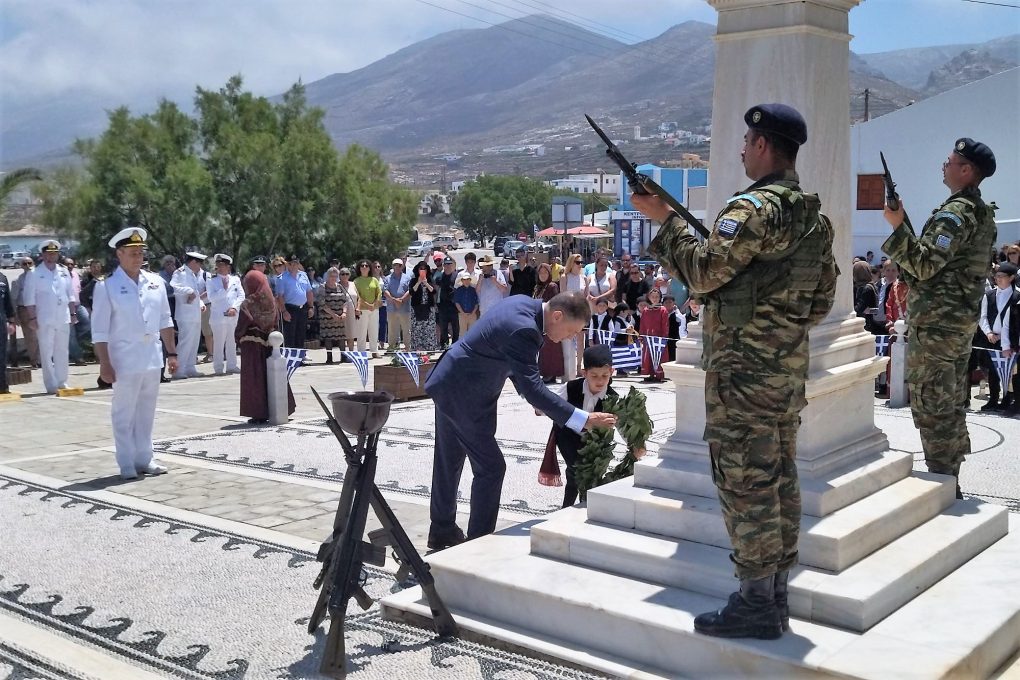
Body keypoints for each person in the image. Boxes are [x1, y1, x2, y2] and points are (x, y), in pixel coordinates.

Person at [635, 103, 837, 639]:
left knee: (745, 485)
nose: (742, 151)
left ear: (765, 146)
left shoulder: (751, 210)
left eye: (747, 142)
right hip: (784, 374)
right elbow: (820, 303)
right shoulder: (816, 219)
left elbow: (702, 273)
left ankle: (754, 602)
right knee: (778, 481)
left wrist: (664, 221)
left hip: (741, 377)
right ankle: (774, 595)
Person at [425, 290, 618, 549]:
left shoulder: (524, 305)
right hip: (466, 394)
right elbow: (532, 385)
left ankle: (442, 529)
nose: (571, 338)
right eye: (572, 331)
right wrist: (583, 419)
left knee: (448, 460)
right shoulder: (524, 329)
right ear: (558, 316)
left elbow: (512, 361)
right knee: (491, 468)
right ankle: (477, 546)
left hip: (450, 382)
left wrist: (538, 400)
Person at [883, 137, 998, 493]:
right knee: (948, 400)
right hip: (954, 323)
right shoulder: (978, 211)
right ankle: (948, 475)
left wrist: (897, 225)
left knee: (934, 403)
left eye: (949, 162)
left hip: (938, 325)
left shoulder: (957, 213)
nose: (943, 166)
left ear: (967, 170)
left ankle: (943, 480)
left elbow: (923, 263)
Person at [91, 228, 178, 479]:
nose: (138, 257)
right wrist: (104, 364)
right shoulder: (107, 285)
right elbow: (100, 331)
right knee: (124, 412)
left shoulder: (155, 282)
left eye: (140, 253)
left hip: (152, 356)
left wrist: (172, 353)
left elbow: (165, 319)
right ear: (119, 254)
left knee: (146, 411)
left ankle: (145, 457)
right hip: (123, 358)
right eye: (132, 253)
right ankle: (126, 461)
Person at [235, 270, 295, 423]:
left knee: (256, 377)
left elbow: (243, 322)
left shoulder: (249, 302)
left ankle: (259, 412)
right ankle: (283, 408)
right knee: (274, 375)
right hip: (269, 343)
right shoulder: (271, 300)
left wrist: (237, 336)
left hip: (252, 345)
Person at [23, 240, 78, 393]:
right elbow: (29, 299)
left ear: (57, 255)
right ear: (42, 254)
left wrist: (73, 313)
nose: (51, 256)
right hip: (44, 317)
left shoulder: (63, 271)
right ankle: (51, 383)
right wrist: (32, 319)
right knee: (46, 351)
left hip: (63, 316)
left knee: (62, 350)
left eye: (54, 253)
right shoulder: (34, 273)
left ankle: (62, 381)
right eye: (48, 253)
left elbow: (70, 295)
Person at [977, 263, 1019, 412]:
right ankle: (993, 399)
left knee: (1011, 371)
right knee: (993, 370)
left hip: (1009, 340)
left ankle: (1009, 399)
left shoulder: (1016, 295)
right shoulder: (988, 295)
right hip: (991, 339)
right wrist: (988, 332)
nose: (998, 279)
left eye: (1002, 277)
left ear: (1011, 278)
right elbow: (982, 317)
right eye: (997, 276)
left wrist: (1005, 337)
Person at [170, 251, 209, 378]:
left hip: (194, 313)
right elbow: (173, 287)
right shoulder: (180, 272)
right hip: (185, 314)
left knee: (194, 342)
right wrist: (189, 290)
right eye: (199, 263)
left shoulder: (193, 274)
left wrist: (201, 304)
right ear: (193, 262)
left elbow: (197, 294)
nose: (200, 267)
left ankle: (190, 366)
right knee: (185, 341)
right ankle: (178, 370)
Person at [206, 253, 244, 375]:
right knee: (219, 342)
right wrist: (223, 289)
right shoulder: (212, 280)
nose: (219, 267)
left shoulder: (235, 279)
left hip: (232, 316)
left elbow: (241, 295)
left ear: (228, 266)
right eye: (218, 264)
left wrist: (234, 308)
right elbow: (211, 297)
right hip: (219, 317)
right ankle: (218, 367)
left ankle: (232, 366)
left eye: (222, 265)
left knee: (231, 342)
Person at [275, 254, 314, 350]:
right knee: (289, 336)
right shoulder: (282, 278)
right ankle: (290, 360)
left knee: (301, 334)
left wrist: (311, 307)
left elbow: (309, 292)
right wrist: (284, 311)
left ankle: (300, 359)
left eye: (296, 263)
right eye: (291, 263)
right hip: (290, 308)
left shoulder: (303, 275)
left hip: (303, 308)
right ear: (287, 265)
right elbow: (280, 297)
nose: (294, 265)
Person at [315, 267, 353, 364]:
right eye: (332, 276)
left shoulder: (340, 286)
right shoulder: (322, 287)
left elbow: (345, 301)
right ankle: (329, 357)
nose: (333, 278)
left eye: (335, 276)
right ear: (328, 276)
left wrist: (344, 313)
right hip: (327, 317)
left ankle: (343, 357)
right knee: (328, 337)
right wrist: (333, 315)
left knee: (341, 337)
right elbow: (321, 303)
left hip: (340, 317)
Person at [533, 263, 563, 383]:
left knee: (551, 348)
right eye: (540, 273)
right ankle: (545, 372)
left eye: (545, 272)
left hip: (551, 321)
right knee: (543, 349)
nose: (543, 275)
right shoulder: (537, 287)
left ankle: (552, 373)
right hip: (540, 320)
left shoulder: (552, 286)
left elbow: (555, 302)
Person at [11, 257, 40, 368]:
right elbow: (13, 299)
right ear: (21, 265)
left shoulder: (40, 278)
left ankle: (43, 359)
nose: (27, 265)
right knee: (30, 337)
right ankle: (34, 361)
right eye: (24, 263)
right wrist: (15, 315)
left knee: (42, 336)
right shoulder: (17, 281)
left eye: (30, 263)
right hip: (24, 310)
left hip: (40, 309)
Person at [352, 260, 383, 357]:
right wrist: (367, 305)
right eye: (362, 266)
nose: (364, 267)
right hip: (362, 310)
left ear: (369, 268)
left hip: (374, 309)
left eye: (366, 266)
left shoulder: (374, 280)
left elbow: (379, 292)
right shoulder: (356, 281)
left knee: (374, 330)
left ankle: (374, 351)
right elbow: (357, 296)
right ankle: (361, 352)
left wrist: (374, 304)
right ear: (359, 268)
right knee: (362, 331)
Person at [639, 287, 670, 383]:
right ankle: (651, 374)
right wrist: (641, 335)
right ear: (649, 297)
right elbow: (643, 324)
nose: (655, 298)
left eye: (657, 297)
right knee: (649, 355)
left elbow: (665, 325)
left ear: (660, 297)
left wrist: (664, 337)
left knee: (659, 355)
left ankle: (659, 375)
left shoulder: (663, 310)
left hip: (659, 338)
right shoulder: (646, 310)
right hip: (648, 337)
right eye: (653, 297)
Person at [384, 258, 412, 350]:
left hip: (404, 307)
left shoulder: (407, 278)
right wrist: (394, 300)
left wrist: (401, 300)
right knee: (392, 329)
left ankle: (408, 347)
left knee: (406, 329)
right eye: (395, 265)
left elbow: (410, 290)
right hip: (392, 308)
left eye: (399, 265)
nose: (397, 267)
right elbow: (385, 290)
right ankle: (392, 347)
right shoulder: (387, 278)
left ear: (402, 266)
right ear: (392, 266)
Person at [409, 260, 437, 351]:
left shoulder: (430, 279)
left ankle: (429, 348)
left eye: (424, 269)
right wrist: (418, 282)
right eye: (421, 269)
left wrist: (426, 283)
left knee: (429, 328)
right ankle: (417, 348)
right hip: (416, 308)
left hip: (428, 307)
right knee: (417, 329)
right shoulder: (413, 280)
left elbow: (433, 291)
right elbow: (411, 292)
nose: (423, 270)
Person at [434, 256, 460, 347]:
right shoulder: (440, 277)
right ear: (443, 265)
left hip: (454, 306)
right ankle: (444, 345)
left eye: (449, 264)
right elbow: (436, 291)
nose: (448, 266)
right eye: (446, 264)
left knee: (455, 328)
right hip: (443, 305)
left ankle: (455, 345)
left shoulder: (456, 276)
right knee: (443, 327)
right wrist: (435, 304)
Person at [852, 261, 882, 335]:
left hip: (867, 326)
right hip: (870, 324)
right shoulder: (870, 285)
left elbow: (859, 309)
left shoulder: (866, 288)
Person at [453, 271, 479, 336]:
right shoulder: (458, 290)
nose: (466, 281)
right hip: (462, 315)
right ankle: (462, 345)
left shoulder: (473, 290)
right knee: (462, 332)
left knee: (472, 332)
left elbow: (476, 303)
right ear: (462, 280)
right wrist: (462, 312)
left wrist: (473, 312)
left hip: (472, 314)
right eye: (464, 280)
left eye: (468, 279)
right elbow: (457, 302)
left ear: (470, 280)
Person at [0, 268, 13, 394]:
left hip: (1, 321)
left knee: (2, 355)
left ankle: (2, 386)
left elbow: (8, 302)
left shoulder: (2, 278)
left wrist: (11, 321)